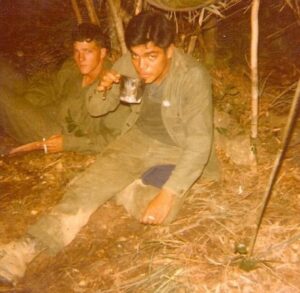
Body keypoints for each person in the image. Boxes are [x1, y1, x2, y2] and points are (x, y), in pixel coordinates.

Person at [0, 11, 219, 285]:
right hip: (135, 140)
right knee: (85, 192)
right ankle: (22, 250)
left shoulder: (193, 77)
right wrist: (102, 89)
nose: (141, 67)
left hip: (175, 150)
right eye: (136, 56)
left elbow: (199, 144)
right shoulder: (130, 63)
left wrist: (169, 193)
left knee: (160, 212)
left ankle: (125, 188)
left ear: (170, 50)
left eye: (151, 57)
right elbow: (95, 109)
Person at [0, 23, 130, 156]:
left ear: (102, 53)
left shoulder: (113, 83)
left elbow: (116, 139)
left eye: (88, 51)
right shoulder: (73, 67)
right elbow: (53, 85)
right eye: (77, 51)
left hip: (59, 133)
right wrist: (28, 100)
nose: (81, 58)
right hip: (47, 110)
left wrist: (68, 144)